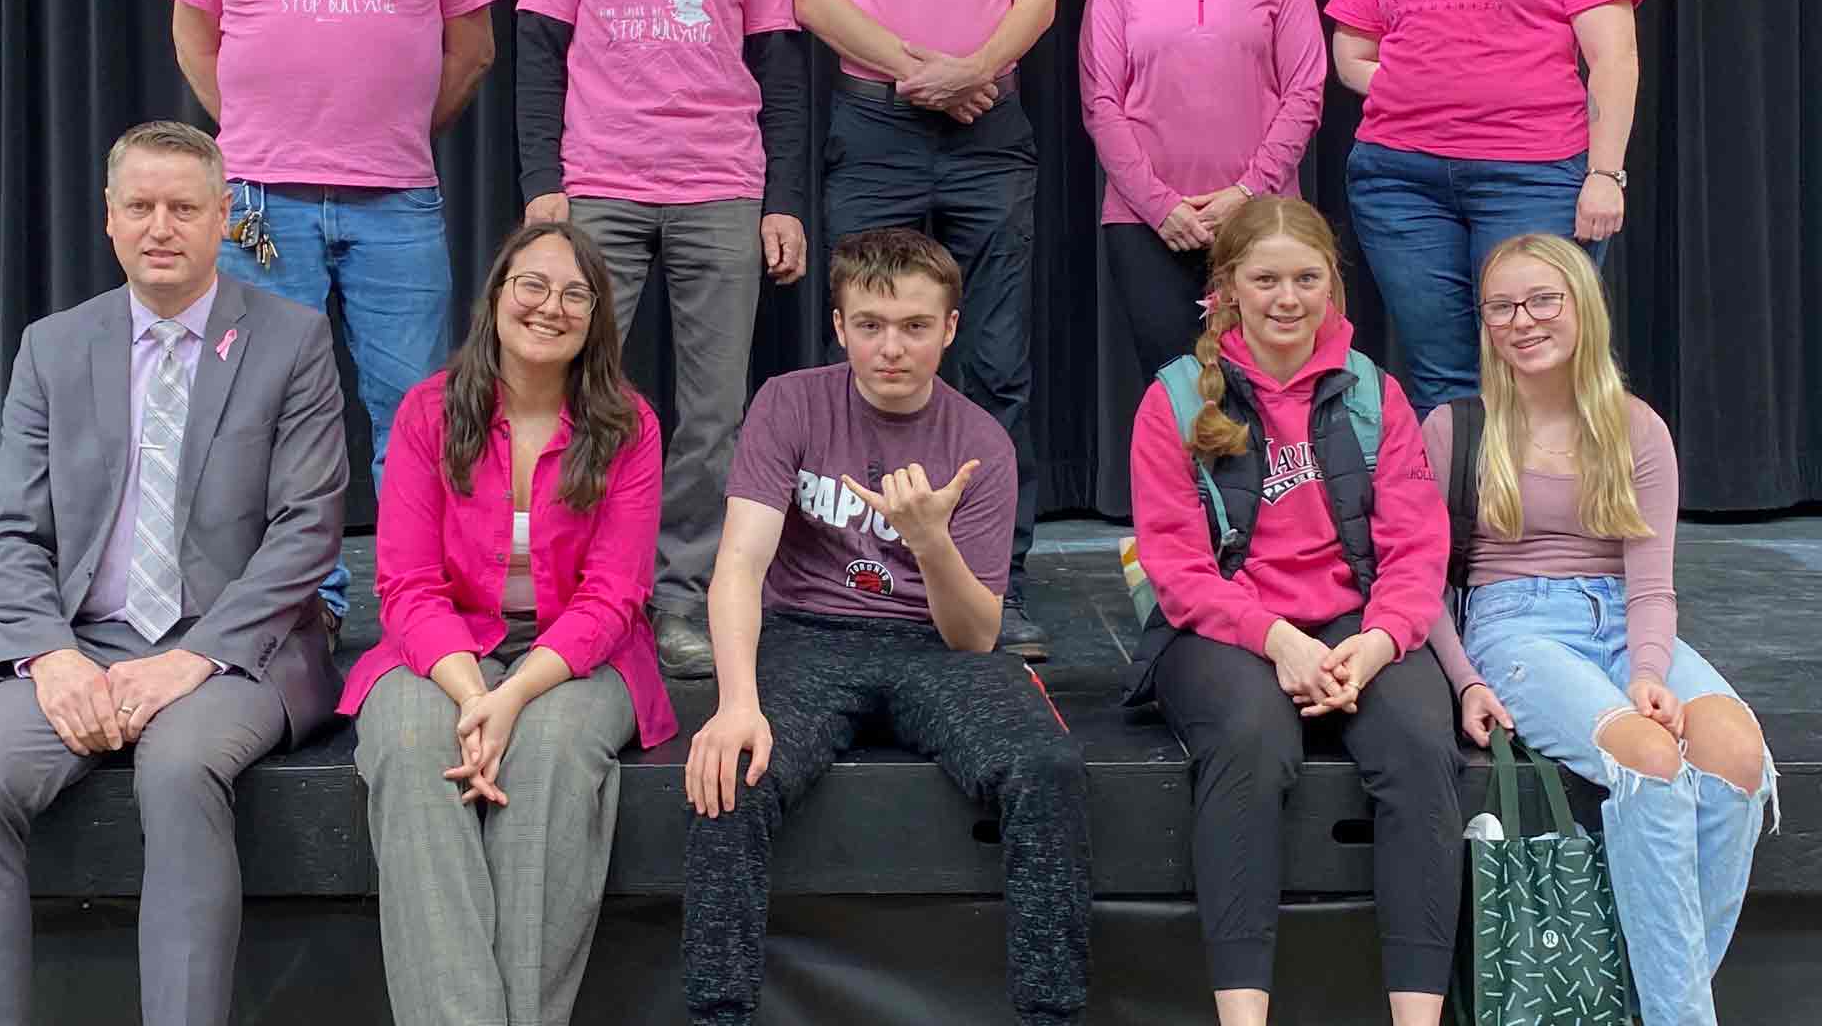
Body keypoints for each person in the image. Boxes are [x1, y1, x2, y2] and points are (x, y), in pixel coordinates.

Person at [0, 121, 347, 1026]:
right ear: (107, 220)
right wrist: (50, 656)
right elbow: (9, 532)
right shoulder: (52, 347)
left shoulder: (293, 340)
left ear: (223, 218)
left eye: (184, 207)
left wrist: (195, 660)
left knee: (179, 766)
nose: (162, 226)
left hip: (242, 649)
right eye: (141, 207)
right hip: (86, 641)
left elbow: (307, 531)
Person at [682, 227, 1090, 1026]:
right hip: (806, 631)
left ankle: (1052, 1015)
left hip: (933, 646)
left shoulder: (980, 442)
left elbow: (975, 636)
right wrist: (736, 702)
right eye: (869, 325)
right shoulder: (790, 402)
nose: (891, 348)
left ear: (949, 328)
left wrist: (931, 539)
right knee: (728, 776)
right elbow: (739, 565)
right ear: (839, 327)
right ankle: (718, 1015)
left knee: (1047, 769)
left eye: (912, 327)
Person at [170, 0, 502, 634]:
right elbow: (193, 31)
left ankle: (415, 606)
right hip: (260, 205)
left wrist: (393, 125)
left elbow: (470, 49)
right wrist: (247, 125)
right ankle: (303, 607)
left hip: (396, 199)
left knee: (414, 414)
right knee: (274, 412)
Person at [783, 0, 1071, 659]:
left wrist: (974, 73)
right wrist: (923, 72)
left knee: (996, 365)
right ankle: (848, 578)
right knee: (867, 351)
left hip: (989, 132)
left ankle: (1002, 580)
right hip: (876, 128)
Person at [516, 0, 808, 681]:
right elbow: (537, 57)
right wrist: (543, 190)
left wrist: (781, 198)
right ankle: (574, 590)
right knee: (575, 397)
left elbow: (782, 69)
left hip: (721, 189)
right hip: (600, 189)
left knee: (714, 414)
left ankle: (679, 597)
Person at [1426, 232, 1777, 1026]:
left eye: (1543, 299)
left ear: (1582, 306)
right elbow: (1419, 584)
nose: (1523, 320)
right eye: (1502, 306)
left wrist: (1649, 670)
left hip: (1622, 618)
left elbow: (1653, 585)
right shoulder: (1457, 428)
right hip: (1515, 625)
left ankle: (1653, 1004)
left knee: (1736, 756)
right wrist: (1465, 681)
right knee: (1651, 758)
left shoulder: (1637, 427)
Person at [1129, 195, 1459, 1025]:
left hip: (1355, 623)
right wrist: (1278, 641)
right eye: (1266, 278)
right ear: (1228, 287)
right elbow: (1177, 569)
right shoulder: (1172, 399)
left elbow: (1418, 549)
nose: (1287, 298)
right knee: (1252, 737)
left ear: (1332, 286)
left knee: (1422, 745)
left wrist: (1379, 644)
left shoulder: (1372, 393)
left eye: (1306, 278)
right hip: (1223, 625)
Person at [340, 221, 673, 1025]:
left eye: (574, 294)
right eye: (532, 285)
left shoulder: (629, 426)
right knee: (415, 746)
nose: (550, 307)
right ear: (496, 297)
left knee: (554, 755)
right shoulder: (428, 412)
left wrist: (512, 697)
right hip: (441, 644)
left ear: (596, 317)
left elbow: (613, 596)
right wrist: (469, 695)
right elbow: (408, 586)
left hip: (576, 657)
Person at [1328, 0, 1643, 416]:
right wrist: (1416, 78)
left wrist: (1605, 174)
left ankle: (1547, 520)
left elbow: (1614, 60)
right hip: (1400, 181)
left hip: (1533, 176)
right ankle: (1460, 522)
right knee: (1442, 375)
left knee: (1538, 364)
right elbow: (1350, 51)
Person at [1079, 0, 1325, 383]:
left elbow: (1305, 92)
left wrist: (1246, 195)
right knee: (1176, 394)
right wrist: (1161, 207)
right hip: (1146, 228)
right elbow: (1101, 103)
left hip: (1262, 220)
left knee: (1266, 386)